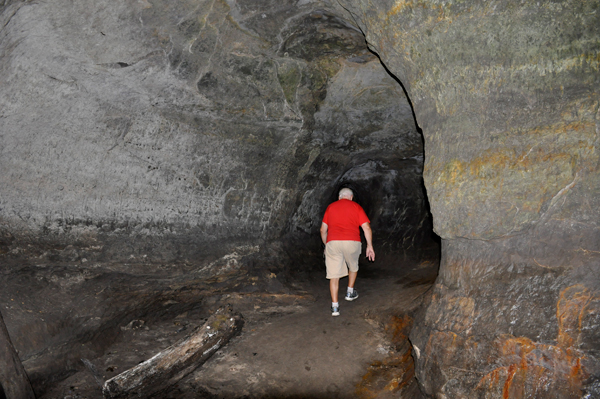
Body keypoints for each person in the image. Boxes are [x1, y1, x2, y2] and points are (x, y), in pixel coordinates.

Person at [320, 188, 375, 316]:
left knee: (334, 276)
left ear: (339, 197)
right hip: (352, 241)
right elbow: (366, 227)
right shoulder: (356, 206)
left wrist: (326, 244)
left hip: (333, 242)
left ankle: (335, 307)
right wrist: (370, 246)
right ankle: (350, 292)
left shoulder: (331, 207)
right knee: (353, 266)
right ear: (351, 197)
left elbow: (323, 230)